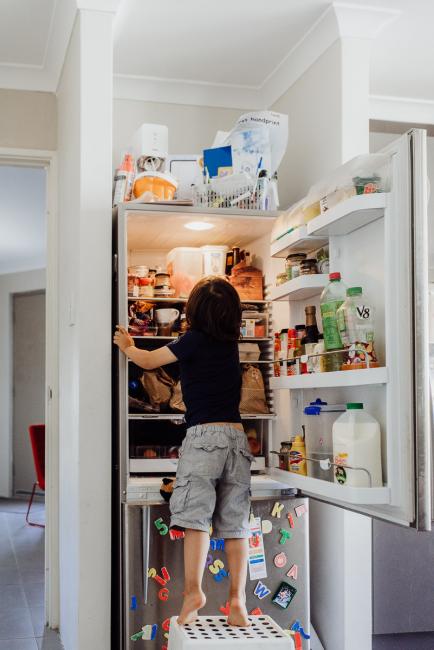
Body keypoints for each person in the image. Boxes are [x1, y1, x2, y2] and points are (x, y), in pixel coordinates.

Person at [114, 277, 253, 627]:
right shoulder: (230, 343)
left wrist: (128, 346)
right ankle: (237, 600)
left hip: (204, 437)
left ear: (193, 312)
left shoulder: (193, 340)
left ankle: (194, 591)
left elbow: (148, 361)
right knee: (235, 526)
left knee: (196, 519)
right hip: (238, 439)